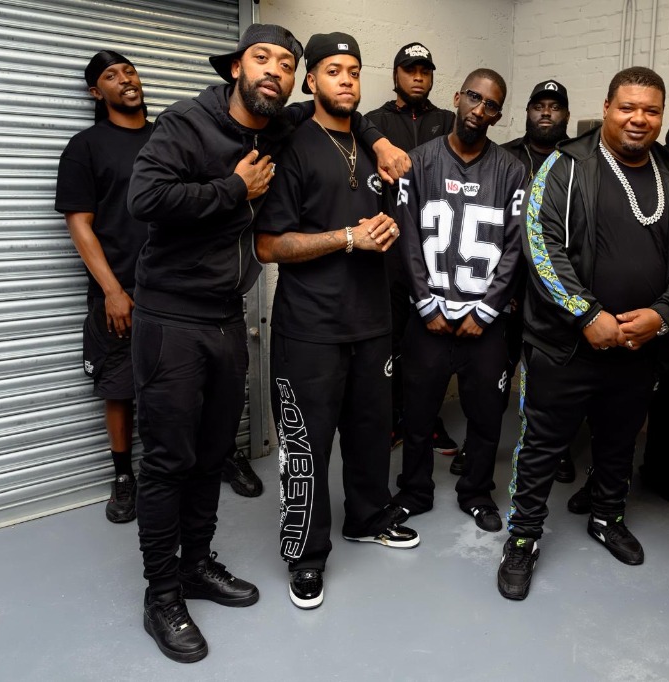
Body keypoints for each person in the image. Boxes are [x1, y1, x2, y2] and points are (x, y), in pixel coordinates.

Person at [127, 24, 408, 662]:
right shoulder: (186, 124)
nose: (273, 71)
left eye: (285, 62)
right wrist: (235, 189)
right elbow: (144, 197)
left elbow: (339, 108)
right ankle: (162, 595)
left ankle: (196, 565)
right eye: (262, 59)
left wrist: (379, 137)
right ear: (236, 67)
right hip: (170, 316)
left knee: (211, 456)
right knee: (168, 461)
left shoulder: (278, 125)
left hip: (226, 315)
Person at [497, 67, 669, 601]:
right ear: (607, 108)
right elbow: (539, 245)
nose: (639, 119)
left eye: (651, 110)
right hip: (563, 345)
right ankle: (523, 538)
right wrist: (587, 314)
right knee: (541, 445)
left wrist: (662, 316)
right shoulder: (566, 166)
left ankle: (607, 517)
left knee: (618, 441)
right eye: (627, 107)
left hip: (638, 346)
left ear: (662, 116)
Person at [254, 32, 420, 612]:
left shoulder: (378, 148)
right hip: (309, 327)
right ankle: (305, 553)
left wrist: (384, 230)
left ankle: (368, 517)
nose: (346, 79)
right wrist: (348, 237)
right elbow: (269, 245)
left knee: (372, 433)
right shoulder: (293, 144)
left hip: (372, 319)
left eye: (353, 70)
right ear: (310, 81)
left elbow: (384, 220)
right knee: (307, 445)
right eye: (332, 70)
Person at [567, 81, 669, 514]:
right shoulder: (644, 162)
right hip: (616, 317)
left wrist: (668, 311)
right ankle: (597, 483)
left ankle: (658, 472)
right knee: (611, 408)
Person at [391, 68, 526, 532]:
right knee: (417, 416)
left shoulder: (512, 170)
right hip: (428, 319)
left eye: (491, 105)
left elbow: (516, 247)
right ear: (456, 97)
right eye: (474, 97)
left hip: (483, 323)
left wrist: (485, 311)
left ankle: (476, 492)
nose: (479, 109)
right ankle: (414, 491)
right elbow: (407, 237)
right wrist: (426, 304)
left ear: (497, 115)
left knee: (486, 418)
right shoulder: (419, 162)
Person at [55, 51, 150, 524]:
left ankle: (207, 460)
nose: (125, 79)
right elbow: (80, 224)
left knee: (189, 381)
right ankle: (123, 475)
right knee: (119, 386)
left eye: (129, 70)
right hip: (120, 291)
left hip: (175, 289)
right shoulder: (85, 146)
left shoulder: (166, 137)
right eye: (111, 76)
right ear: (97, 92)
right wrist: (112, 291)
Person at [365, 42, 459, 457]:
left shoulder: (449, 122)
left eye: (425, 70)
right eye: (410, 69)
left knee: (430, 345)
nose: (418, 77)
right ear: (396, 75)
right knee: (388, 341)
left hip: (438, 254)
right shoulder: (375, 123)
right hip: (389, 253)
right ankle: (390, 420)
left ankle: (427, 421)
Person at [500, 79, 574, 484]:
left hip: (555, 291)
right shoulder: (505, 156)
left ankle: (556, 452)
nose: (546, 112)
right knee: (497, 370)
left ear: (566, 114)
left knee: (553, 380)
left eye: (555, 106)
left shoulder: (579, 159)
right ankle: (481, 444)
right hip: (508, 287)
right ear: (527, 111)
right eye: (538, 105)